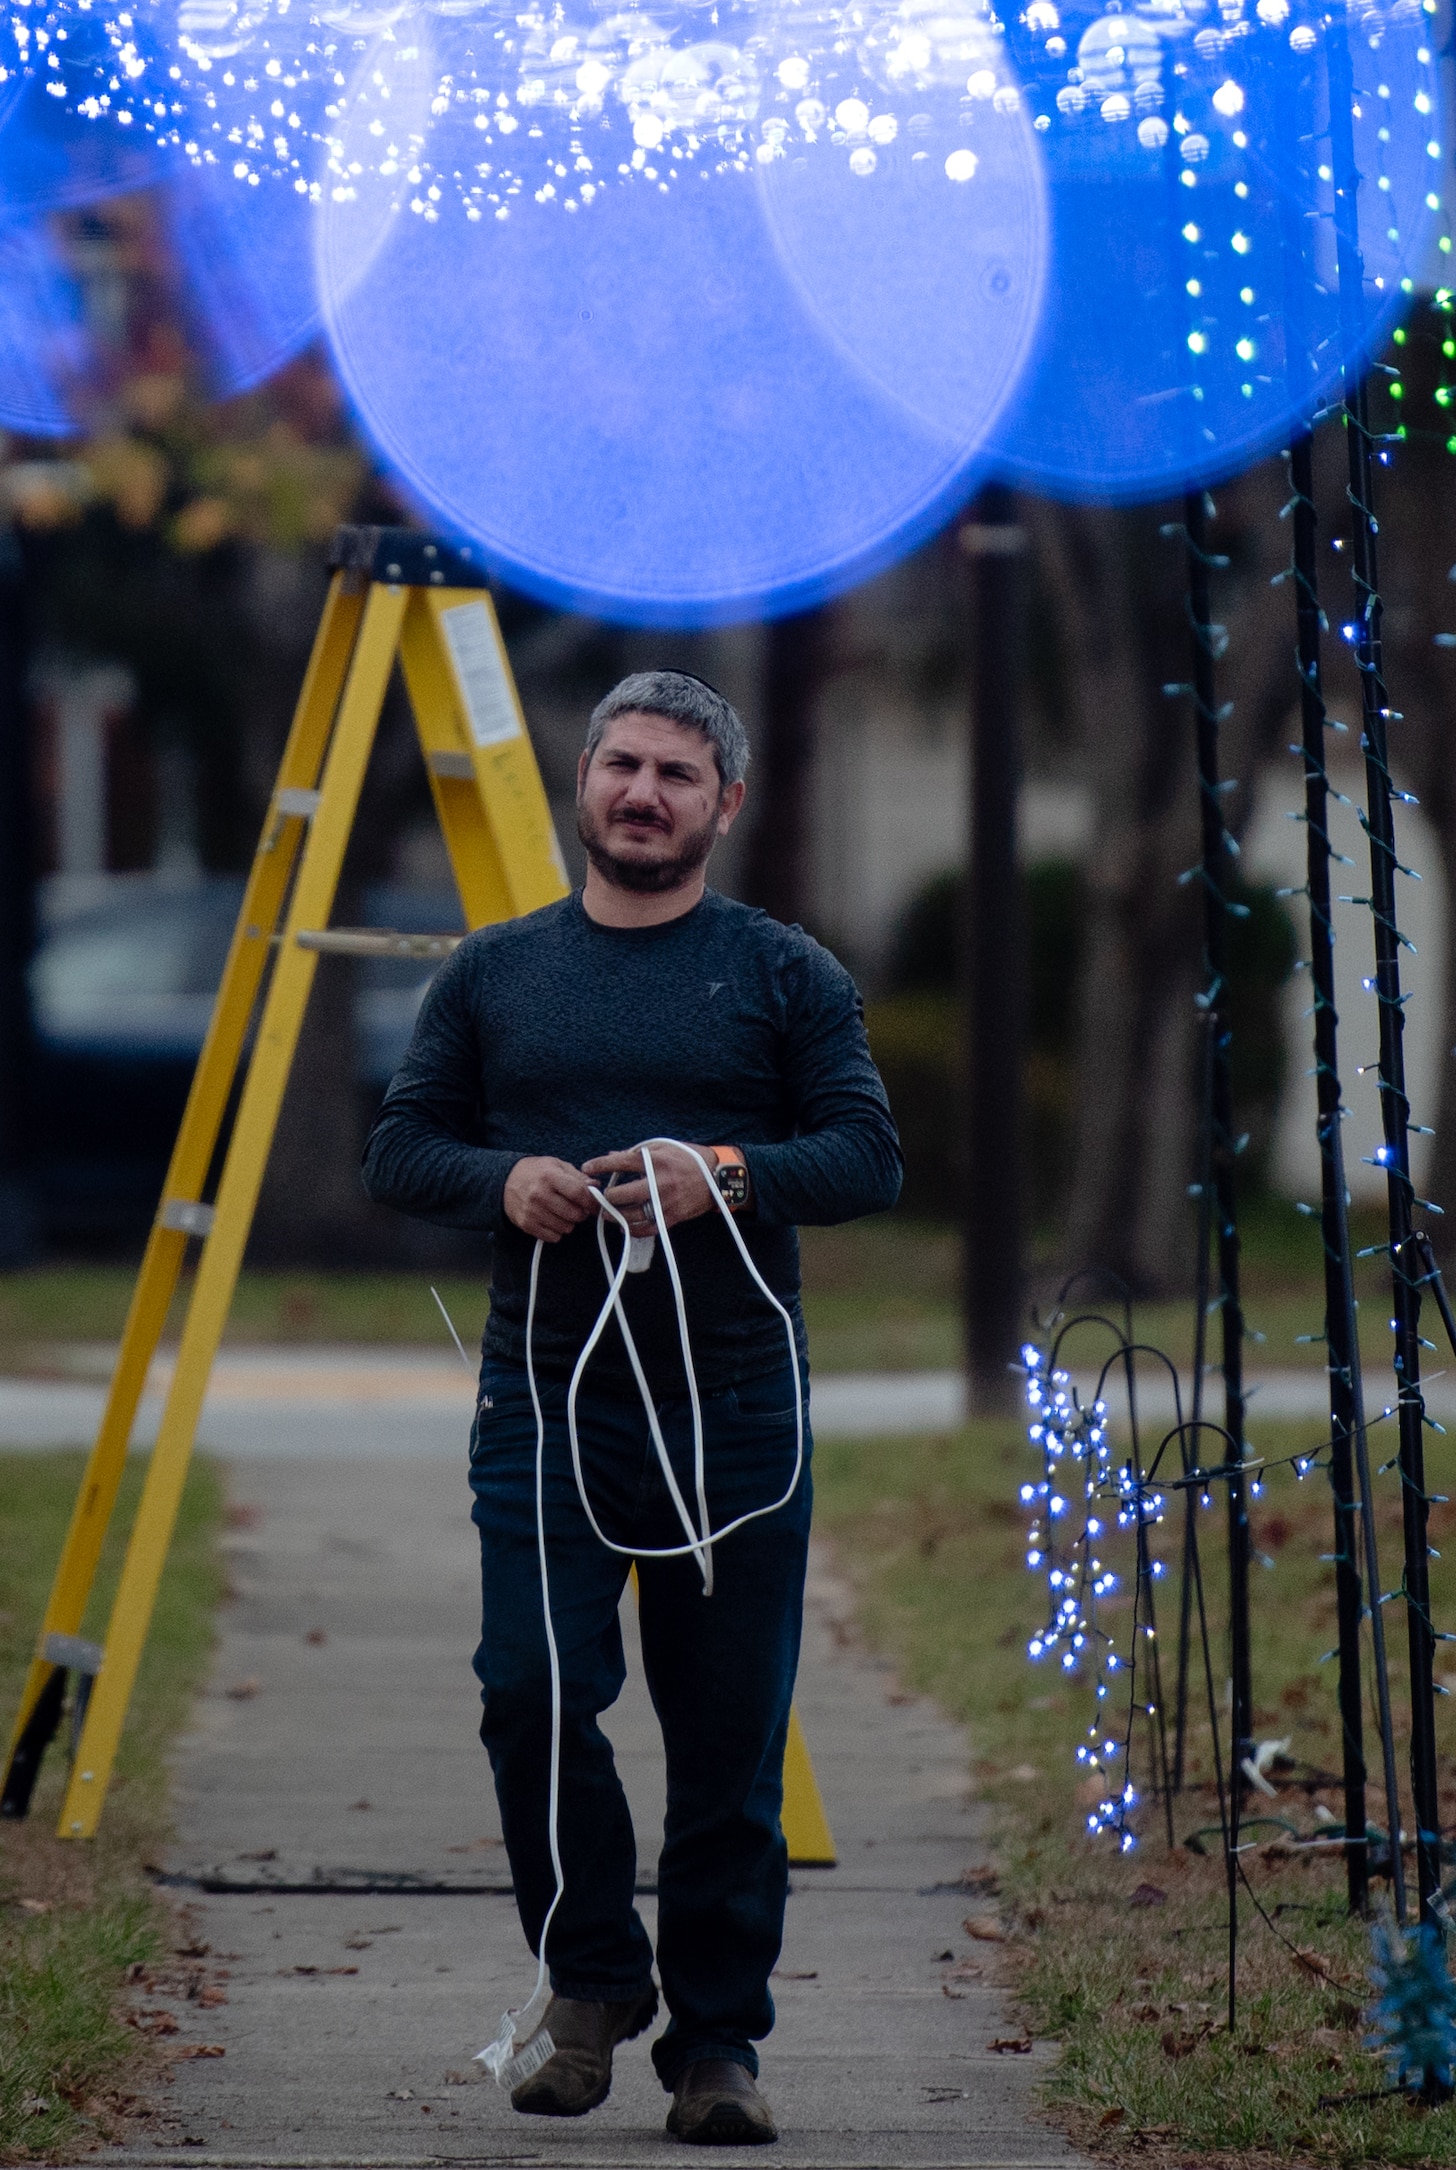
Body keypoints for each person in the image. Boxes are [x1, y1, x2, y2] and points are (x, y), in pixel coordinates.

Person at [363, 669, 901, 2150]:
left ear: (724, 802)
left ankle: (718, 2044)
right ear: (583, 784)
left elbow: (866, 1155)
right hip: (546, 1401)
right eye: (622, 765)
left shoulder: (786, 973)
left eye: (676, 771)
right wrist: (504, 1179)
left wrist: (725, 1169)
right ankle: (594, 1981)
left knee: (730, 1746)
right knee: (530, 1691)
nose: (643, 792)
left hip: (734, 1412)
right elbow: (402, 1146)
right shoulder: (494, 974)